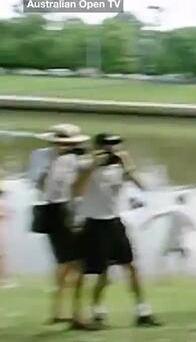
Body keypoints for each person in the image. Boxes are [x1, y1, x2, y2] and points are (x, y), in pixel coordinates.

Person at [71, 133, 161, 330]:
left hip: (114, 222)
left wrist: (128, 165)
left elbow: (144, 186)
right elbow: (75, 191)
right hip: (93, 224)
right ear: (98, 147)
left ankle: (143, 312)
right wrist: (93, 166)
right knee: (92, 273)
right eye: (108, 146)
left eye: (116, 146)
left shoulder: (119, 166)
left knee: (132, 267)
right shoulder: (86, 165)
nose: (112, 150)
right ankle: (87, 314)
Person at [27, 124, 89, 324]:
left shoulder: (77, 158)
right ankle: (64, 311)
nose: (65, 146)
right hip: (52, 209)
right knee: (68, 262)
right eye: (61, 142)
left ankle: (66, 310)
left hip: (71, 208)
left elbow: (82, 185)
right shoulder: (41, 156)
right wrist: (53, 164)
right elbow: (38, 184)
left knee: (74, 263)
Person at [140, 193, 196, 277]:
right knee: (179, 251)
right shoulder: (186, 211)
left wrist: (147, 222)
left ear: (177, 200)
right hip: (180, 235)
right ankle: (183, 268)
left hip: (172, 235)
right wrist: (194, 228)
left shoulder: (174, 209)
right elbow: (193, 225)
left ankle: (161, 269)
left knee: (166, 252)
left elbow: (158, 214)